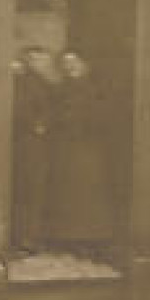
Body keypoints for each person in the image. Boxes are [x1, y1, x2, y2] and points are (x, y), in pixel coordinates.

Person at [48, 50, 114, 261]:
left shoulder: (95, 89)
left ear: (84, 64)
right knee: (68, 196)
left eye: (74, 62)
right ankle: (70, 239)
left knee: (89, 196)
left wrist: (82, 124)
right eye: (66, 63)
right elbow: (54, 115)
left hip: (88, 149)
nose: (70, 67)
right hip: (66, 150)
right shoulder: (60, 90)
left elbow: (102, 117)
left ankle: (91, 239)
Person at [11, 46, 56, 255]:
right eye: (34, 59)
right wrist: (36, 124)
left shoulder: (47, 84)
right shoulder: (21, 83)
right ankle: (24, 239)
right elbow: (19, 110)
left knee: (37, 192)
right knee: (27, 191)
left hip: (42, 145)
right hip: (27, 143)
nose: (39, 63)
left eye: (42, 59)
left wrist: (46, 123)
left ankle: (33, 237)